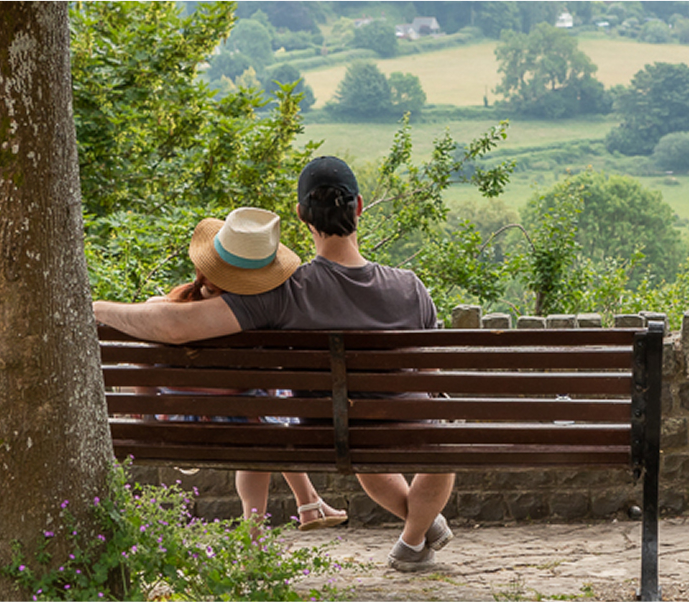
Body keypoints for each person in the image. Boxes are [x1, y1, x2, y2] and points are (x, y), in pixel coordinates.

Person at [94, 157, 454, 572]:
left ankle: (420, 531)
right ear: (357, 208)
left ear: (301, 216)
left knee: (363, 443)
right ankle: (412, 541)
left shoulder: (287, 291)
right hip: (406, 428)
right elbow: (432, 384)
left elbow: (176, 326)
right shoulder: (411, 287)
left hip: (326, 435)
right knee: (438, 433)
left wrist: (97, 307)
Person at [101, 207, 347, 531]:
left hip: (173, 422)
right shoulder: (259, 328)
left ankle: (309, 502)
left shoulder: (158, 312)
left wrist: (147, 416)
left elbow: (144, 376)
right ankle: (263, 527)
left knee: (261, 415)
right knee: (265, 415)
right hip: (244, 428)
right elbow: (272, 392)